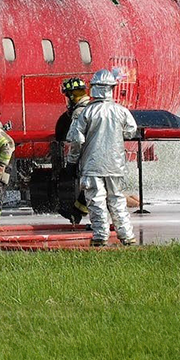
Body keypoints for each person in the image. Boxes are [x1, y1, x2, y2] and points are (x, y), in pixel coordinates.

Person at [66, 69, 139, 247]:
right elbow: (130, 131)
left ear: (94, 88)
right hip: (115, 165)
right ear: (112, 88)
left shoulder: (87, 112)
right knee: (117, 199)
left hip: (92, 164)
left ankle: (100, 236)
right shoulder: (121, 111)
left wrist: (71, 162)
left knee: (96, 200)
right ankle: (127, 235)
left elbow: (76, 139)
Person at [54, 76, 91, 225]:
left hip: (90, 155)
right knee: (94, 188)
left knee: (94, 190)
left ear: (71, 96)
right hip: (110, 157)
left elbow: (76, 140)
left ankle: (100, 231)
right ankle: (76, 213)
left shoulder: (78, 113)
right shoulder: (93, 108)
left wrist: (71, 162)